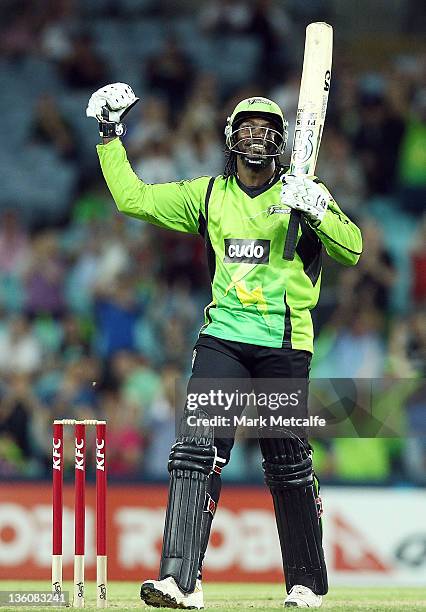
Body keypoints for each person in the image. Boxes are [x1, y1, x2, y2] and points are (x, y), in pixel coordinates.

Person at [87, 83, 362, 609]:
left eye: (267, 131)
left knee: (287, 464)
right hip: (224, 341)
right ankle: (180, 581)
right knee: (195, 452)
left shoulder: (305, 192)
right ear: (232, 138)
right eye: (248, 129)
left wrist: (320, 211)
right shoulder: (210, 195)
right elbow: (133, 198)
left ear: (282, 143)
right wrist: (109, 135)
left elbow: (353, 250)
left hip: (284, 346)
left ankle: (307, 583)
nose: (257, 137)